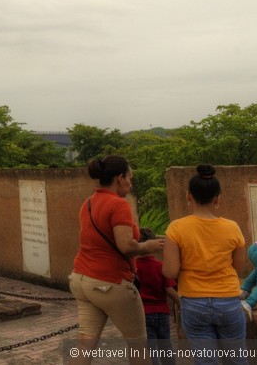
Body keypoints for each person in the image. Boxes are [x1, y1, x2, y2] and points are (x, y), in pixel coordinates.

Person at [70, 154, 164, 365]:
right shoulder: (118, 205)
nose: (131, 183)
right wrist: (147, 246)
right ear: (120, 178)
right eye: (130, 177)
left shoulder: (89, 203)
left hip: (82, 279)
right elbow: (126, 245)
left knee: (85, 343)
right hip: (110, 282)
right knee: (138, 344)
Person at [163, 164, 248, 365]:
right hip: (228, 299)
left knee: (205, 361)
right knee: (237, 359)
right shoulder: (232, 227)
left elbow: (169, 271)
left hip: (193, 301)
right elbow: (238, 266)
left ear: (188, 196)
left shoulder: (176, 228)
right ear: (217, 197)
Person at [136, 227, 180, 365]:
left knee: (151, 349)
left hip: (143, 313)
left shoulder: (133, 268)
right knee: (166, 346)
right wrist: (181, 304)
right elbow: (170, 290)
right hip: (162, 312)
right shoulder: (160, 266)